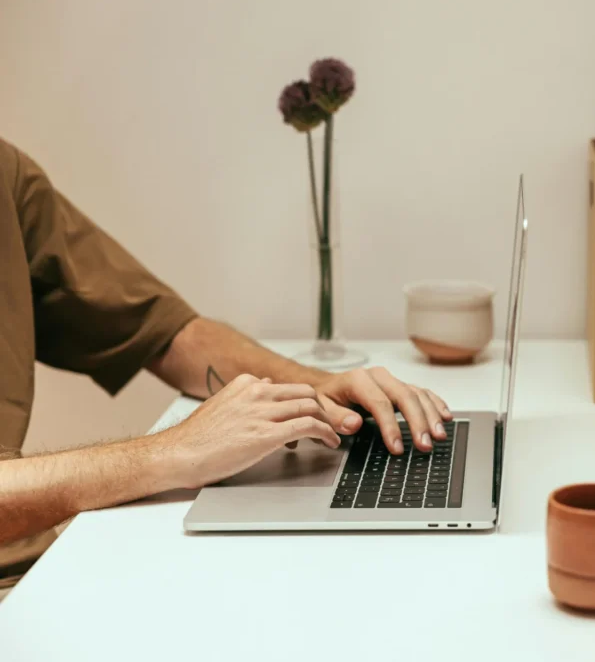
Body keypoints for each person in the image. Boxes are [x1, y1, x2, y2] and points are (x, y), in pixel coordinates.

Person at [0, 137, 450, 596]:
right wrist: (171, 452)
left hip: (36, 573)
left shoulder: (6, 172)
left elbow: (165, 331)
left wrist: (315, 387)